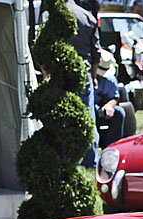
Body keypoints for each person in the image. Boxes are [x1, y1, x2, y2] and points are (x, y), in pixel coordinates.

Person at [65, 0, 100, 168]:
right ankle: (90, 158)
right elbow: (96, 53)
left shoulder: (55, 16)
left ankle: (66, 157)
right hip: (84, 72)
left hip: (62, 72)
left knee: (64, 116)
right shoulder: (88, 17)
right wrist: (93, 76)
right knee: (88, 116)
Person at [94, 50, 127, 148]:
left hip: (103, 111)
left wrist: (109, 105)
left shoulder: (110, 80)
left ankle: (112, 147)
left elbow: (115, 97)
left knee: (119, 112)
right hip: (89, 109)